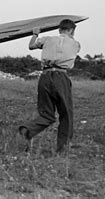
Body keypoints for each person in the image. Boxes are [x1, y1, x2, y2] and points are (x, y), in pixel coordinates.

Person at [19, 19, 81, 154]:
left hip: (45, 76)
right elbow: (69, 48)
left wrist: (35, 33)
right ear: (72, 30)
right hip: (61, 77)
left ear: (59, 30)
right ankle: (62, 149)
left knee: (46, 114)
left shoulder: (47, 39)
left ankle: (27, 130)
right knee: (66, 114)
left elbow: (31, 46)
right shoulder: (76, 44)